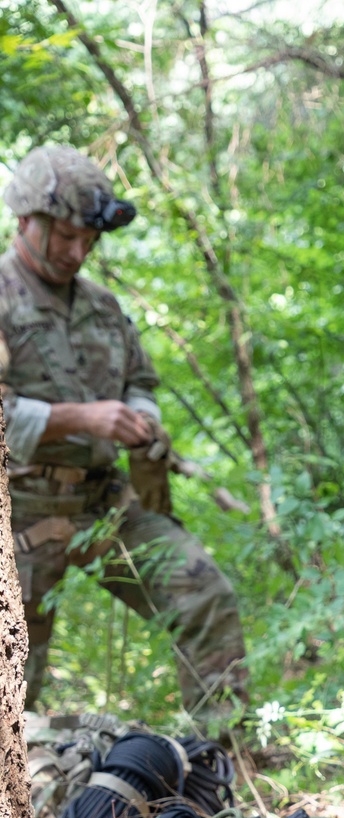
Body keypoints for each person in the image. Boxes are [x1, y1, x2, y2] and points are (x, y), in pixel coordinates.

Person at [0, 145, 248, 729]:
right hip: (18, 507)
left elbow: (140, 379)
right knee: (12, 677)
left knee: (203, 596)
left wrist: (139, 418)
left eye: (89, 240)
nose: (77, 252)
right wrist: (79, 419)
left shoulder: (102, 306)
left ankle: (221, 753)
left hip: (102, 502)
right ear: (26, 219)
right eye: (66, 236)